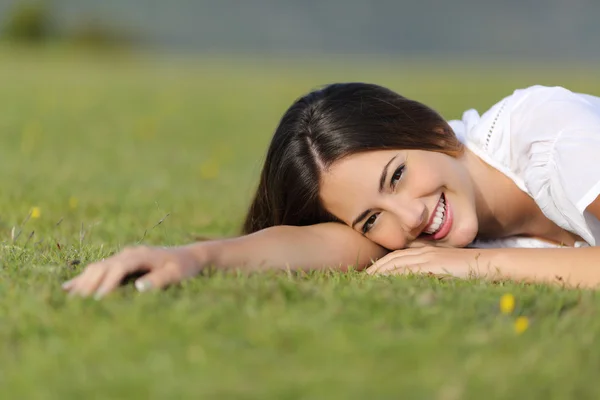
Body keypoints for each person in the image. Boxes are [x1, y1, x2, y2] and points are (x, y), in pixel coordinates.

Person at [63, 83, 600, 298]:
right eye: (370, 219)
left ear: (435, 130)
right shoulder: (427, 217)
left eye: (396, 176)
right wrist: (193, 257)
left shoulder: (547, 135)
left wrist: (479, 267)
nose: (408, 217)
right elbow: (316, 244)